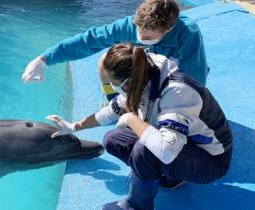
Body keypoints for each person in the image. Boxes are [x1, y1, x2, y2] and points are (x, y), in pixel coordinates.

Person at [46, 43, 232, 210]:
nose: (110, 86)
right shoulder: (141, 72)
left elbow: (166, 150)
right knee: (114, 140)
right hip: (184, 145)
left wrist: (129, 118)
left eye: (112, 83)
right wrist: (73, 126)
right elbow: (111, 111)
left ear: (126, 84)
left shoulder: (177, 91)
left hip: (211, 160)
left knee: (144, 149)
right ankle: (171, 178)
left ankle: (136, 206)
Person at [22, 0, 209, 101]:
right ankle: (112, 100)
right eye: (138, 30)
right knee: (105, 61)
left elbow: (195, 78)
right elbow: (89, 40)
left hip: (173, 78)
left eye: (148, 37)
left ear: (168, 29)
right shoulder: (129, 25)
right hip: (148, 68)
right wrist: (44, 59)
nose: (140, 38)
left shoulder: (188, 33)